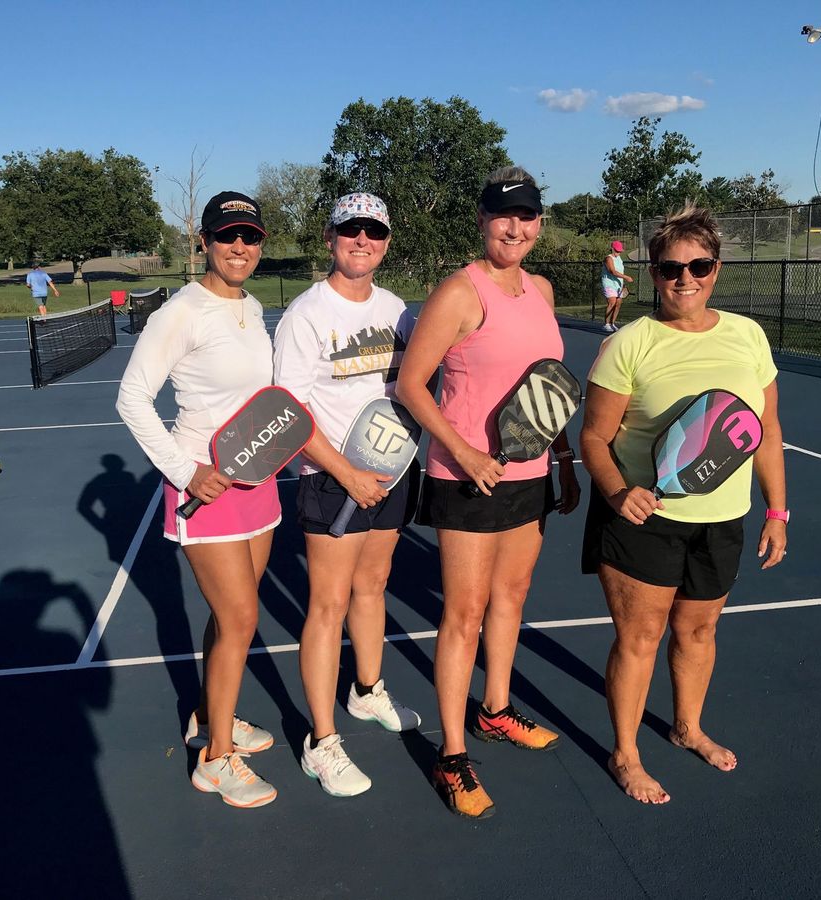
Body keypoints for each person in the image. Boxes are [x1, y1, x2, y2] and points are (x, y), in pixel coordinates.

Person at [579, 204, 787, 805]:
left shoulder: (747, 335)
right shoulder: (630, 344)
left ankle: (687, 727)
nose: (686, 278)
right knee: (640, 638)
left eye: (699, 265)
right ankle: (626, 753)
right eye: (672, 268)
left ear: (717, 269)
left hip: (722, 518)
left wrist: (777, 510)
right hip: (643, 520)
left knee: (699, 631)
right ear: (653, 273)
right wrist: (620, 492)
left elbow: (767, 430)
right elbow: (593, 437)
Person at [396, 167, 581, 819]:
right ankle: (451, 757)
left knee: (512, 597)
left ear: (538, 222)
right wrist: (468, 451)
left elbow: (549, 386)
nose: (516, 227)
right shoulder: (459, 291)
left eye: (527, 216)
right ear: (482, 220)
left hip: (530, 479)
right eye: (504, 216)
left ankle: (495, 710)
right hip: (466, 478)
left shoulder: (542, 290)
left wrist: (563, 458)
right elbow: (412, 385)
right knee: (464, 615)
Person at [116, 191, 280, 809]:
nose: (241, 247)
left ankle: (215, 715)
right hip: (204, 490)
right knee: (240, 619)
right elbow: (132, 398)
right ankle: (216, 762)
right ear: (206, 242)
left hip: (258, 484)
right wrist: (186, 471)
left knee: (227, 618)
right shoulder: (180, 312)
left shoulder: (252, 306)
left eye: (251, 236)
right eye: (228, 236)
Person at [273, 193, 423, 798]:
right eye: (352, 229)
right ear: (331, 236)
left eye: (375, 231)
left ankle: (367, 691)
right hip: (330, 475)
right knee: (327, 605)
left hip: (390, 472)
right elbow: (289, 409)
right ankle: (322, 742)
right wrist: (348, 473)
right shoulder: (305, 315)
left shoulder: (397, 310)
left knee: (373, 585)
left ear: (386, 241)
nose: (363, 240)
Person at [600, 240, 633, 333]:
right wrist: (626, 277)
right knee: (612, 302)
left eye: (619, 251)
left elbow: (620, 271)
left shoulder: (619, 259)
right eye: (617, 250)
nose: (618, 252)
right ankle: (606, 324)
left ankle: (612, 323)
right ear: (612, 249)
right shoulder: (608, 258)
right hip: (608, 284)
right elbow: (612, 271)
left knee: (618, 304)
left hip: (618, 285)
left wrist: (623, 284)